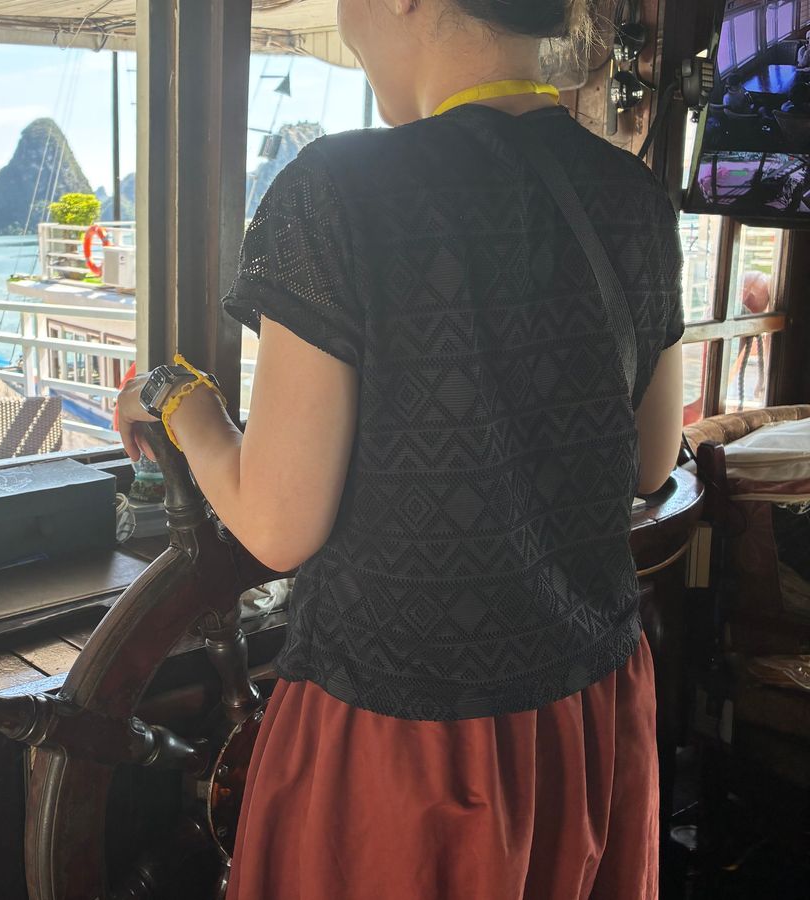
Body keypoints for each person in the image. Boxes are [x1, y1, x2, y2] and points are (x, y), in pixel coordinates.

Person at [116, 0, 685, 897]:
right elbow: (652, 461)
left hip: (406, 741)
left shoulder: (336, 192)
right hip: (584, 715)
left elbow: (277, 525)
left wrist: (174, 395)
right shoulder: (635, 195)